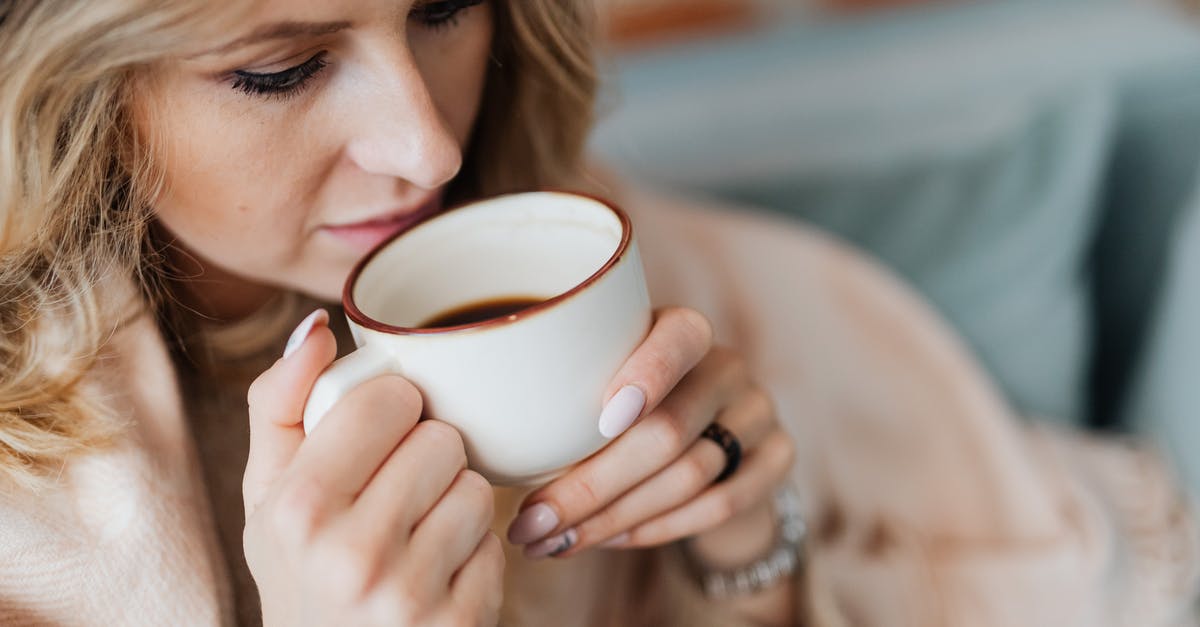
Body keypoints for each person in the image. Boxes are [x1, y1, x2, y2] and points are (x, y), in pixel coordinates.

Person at [0, 1, 1195, 625]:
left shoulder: (580, 254)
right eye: (280, 69)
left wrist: (745, 554)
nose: (425, 144)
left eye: (447, 4)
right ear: (66, 89)